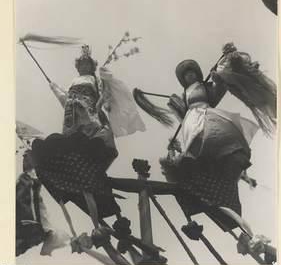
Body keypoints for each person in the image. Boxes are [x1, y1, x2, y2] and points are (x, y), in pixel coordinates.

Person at [159, 43, 276, 229]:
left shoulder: (204, 86)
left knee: (220, 135)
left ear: (197, 74)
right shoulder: (183, 95)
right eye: (186, 74)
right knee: (197, 146)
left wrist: (220, 73)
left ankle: (225, 158)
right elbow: (181, 116)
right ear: (183, 79)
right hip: (191, 121)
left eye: (192, 72)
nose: (189, 75)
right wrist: (176, 105)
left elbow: (216, 93)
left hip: (207, 114)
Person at [29, 45, 146, 226]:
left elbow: (103, 95)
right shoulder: (74, 81)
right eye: (82, 64)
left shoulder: (95, 79)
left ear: (92, 67)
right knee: (75, 137)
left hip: (89, 110)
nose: (84, 66)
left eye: (87, 64)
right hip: (73, 114)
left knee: (95, 134)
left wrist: (101, 95)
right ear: (78, 67)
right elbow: (66, 99)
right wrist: (55, 88)